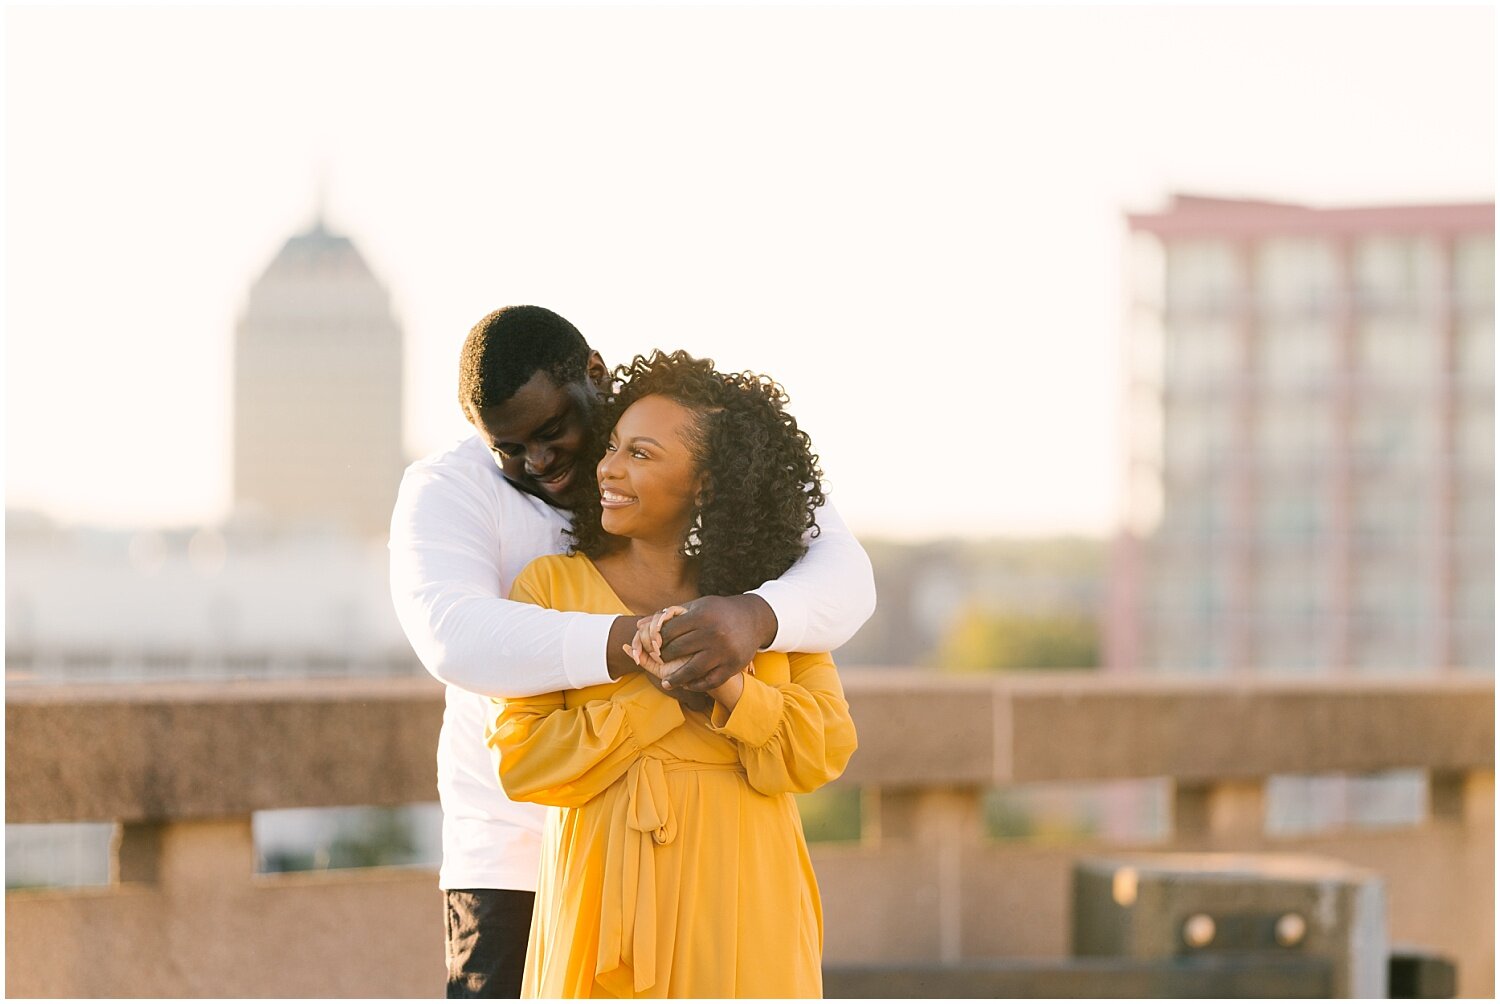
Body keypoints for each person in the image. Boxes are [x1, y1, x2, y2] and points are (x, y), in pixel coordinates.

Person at [388, 306, 876, 997]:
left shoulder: (716, 473)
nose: (538, 460)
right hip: (516, 855)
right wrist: (642, 648)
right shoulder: (451, 490)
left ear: (594, 375)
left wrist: (750, 618)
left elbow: (846, 577)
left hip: (717, 871)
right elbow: (453, 636)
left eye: (553, 431)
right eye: (510, 447)